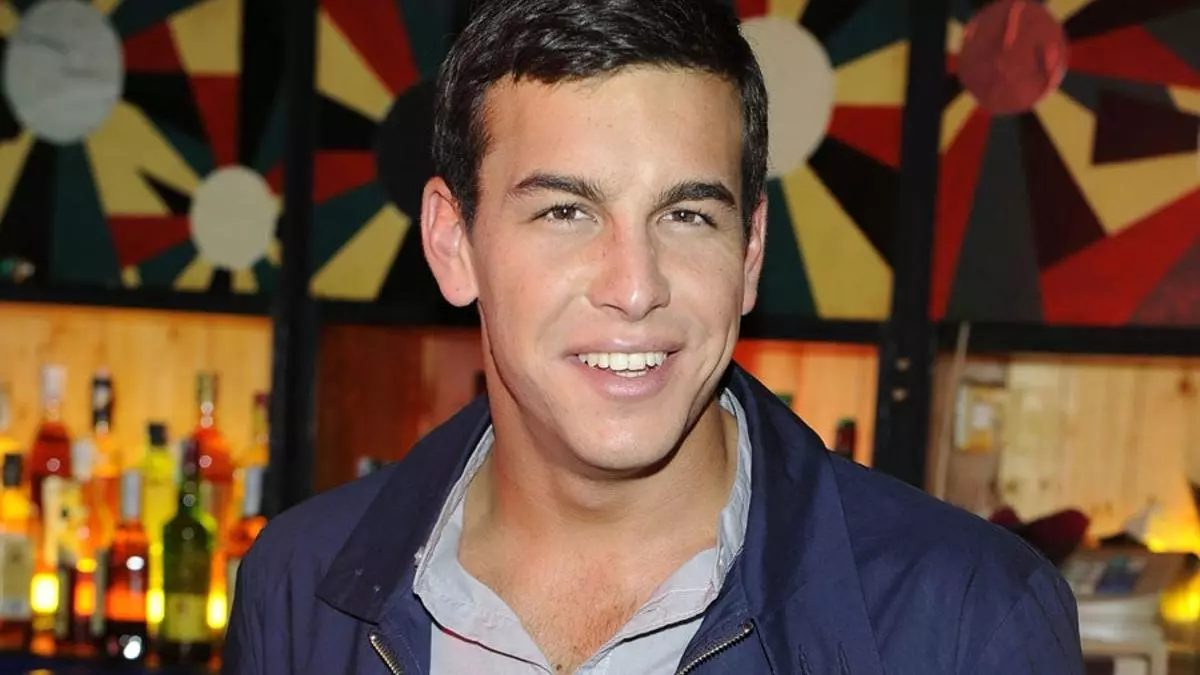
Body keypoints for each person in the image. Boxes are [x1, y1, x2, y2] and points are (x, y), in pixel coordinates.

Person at [223, 0, 1084, 672]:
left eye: (687, 214)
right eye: (565, 211)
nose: (635, 287)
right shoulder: (297, 590)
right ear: (454, 244)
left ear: (750, 253)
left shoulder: (969, 617)